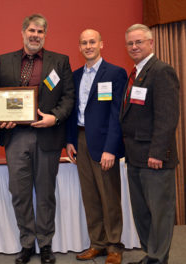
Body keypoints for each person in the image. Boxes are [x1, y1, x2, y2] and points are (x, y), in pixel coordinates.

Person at [0, 14, 75, 264]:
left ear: (45, 35)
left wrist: (55, 118)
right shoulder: (4, 61)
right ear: (23, 32)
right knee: (20, 193)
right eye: (31, 30)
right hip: (16, 137)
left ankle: (46, 243)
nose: (35, 35)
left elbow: (69, 97)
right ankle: (27, 243)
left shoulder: (60, 62)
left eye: (40, 32)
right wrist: (2, 119)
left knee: (46, 193)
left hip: (47, 137)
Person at [66, 29, 127, 264]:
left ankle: (114, 246)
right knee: (90, 197)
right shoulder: (75, 76)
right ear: (79, 47)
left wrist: (111, 148)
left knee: (110, 197)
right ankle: (98, 244)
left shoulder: (115, 73)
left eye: (92, 42)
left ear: (102, 44)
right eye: (84, 43)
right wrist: (70, 141)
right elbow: (73, 112)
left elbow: (116, 115)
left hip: (104, 144)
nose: (88, 46)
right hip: (81, 141)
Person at [120, 24, 179, 264]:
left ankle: (158, 258)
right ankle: (151, 255)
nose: (134, 47)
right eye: (130, 43)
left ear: (151, 43)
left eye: (139, 42)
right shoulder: (135, 73)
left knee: (159, 213)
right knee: (142, 212)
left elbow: (167, 117)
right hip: (135, 157)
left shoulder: (162, 71)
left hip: (154, 159)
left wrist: (157, 152)